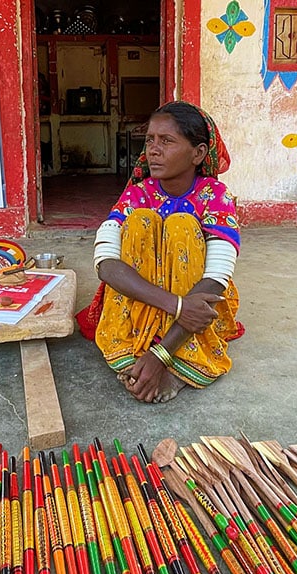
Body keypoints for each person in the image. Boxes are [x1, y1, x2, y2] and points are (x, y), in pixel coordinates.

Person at [84, 101, 241, 403]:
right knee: (142, 221)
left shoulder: (214, 196)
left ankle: (176, 360)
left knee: (182, 225)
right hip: (169, 303)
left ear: (198, 153)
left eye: (166, 141)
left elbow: (217, 278)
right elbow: (106, 264)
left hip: (197, 303)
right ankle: (138, 349)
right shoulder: (138, 193)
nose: (152, 150)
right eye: (150, 140)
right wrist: (177, 305)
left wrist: (160, 354)